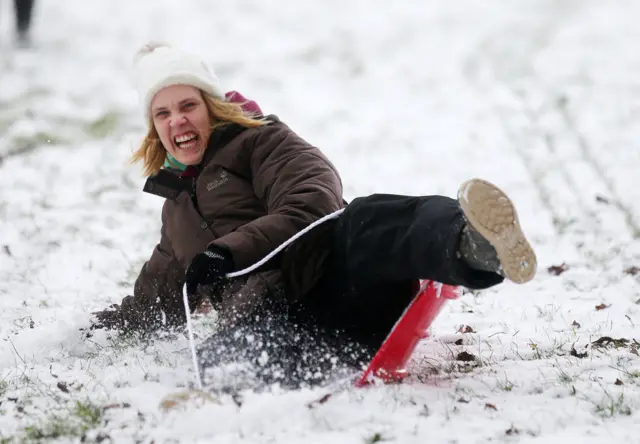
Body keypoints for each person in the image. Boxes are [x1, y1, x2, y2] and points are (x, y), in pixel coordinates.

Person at [92, 43, 537, 390]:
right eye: (162, 113)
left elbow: (312, 200)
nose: (178, 121)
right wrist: (92, 334)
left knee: (367, 218)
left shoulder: (261, 141)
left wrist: (228, 252)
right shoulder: (176, 212)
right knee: (226, 360)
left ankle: (473, 244)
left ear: (212, 105)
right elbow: (155, 298)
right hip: (273, 323)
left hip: (332, 283)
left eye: (187, 105)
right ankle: (247, 389)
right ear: (154, 128)